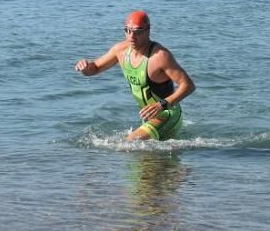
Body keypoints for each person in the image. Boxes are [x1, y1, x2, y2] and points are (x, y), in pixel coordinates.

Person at [75, 10, 195, 141]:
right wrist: (85, 68)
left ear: (148, 31)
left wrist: (161, 105)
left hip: (168, 113)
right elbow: (94, 69)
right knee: (146, 161)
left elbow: (188, 85)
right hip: (150, 117)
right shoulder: (120, 50)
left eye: (137, 32)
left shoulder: (160, 56)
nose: (131, 36)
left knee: (129, 143)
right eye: (128, 30)